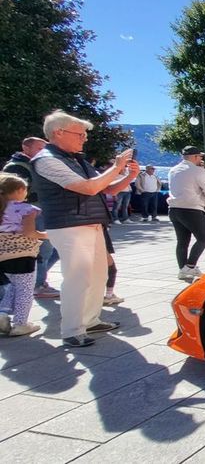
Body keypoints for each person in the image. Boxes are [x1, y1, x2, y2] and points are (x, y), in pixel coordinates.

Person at [32, 110, 138, 347]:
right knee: (77, 278)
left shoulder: (75, 159)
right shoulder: (46, 160)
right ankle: (72, 329)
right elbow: (88, 188)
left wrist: (129, 176)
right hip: (69, 225)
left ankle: (90, 320)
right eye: (79, 134)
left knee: (99, 275)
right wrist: (117, 166)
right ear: (58, 133)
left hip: (91, 224)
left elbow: (106, 188)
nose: (84, 138)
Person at [4, 136, 60, 299]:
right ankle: (38, 284)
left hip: (41, 211)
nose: (43, 152)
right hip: (31, 214)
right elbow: (14, 194)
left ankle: (37, 280)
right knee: (45, 249)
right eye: (39, 148)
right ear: (26, 148)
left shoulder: (34, 164)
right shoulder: (17, 167)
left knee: (54, 249)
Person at [0, 174, 47, 336]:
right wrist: (47, 235)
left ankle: (2, 314)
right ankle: (21, 323)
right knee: (25, 289)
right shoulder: (26, 209)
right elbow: (29, 232)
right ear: (20, 190)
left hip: (3, 254)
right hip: (23, 253)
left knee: (12, 287)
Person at [167, 146, 205, 281]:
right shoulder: (198, 171)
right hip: (192, 208)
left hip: (174, 208)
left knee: (182, 241)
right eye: (200, 156)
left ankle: (182, 269)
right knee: (204, 238)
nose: (201, 159)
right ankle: (190, 265)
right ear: (195, 157)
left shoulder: (173, 170)